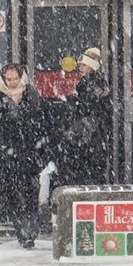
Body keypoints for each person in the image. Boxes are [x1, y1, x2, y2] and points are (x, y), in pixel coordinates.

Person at [0, 63, 47, 249]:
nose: (12, 83)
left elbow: (40, 121)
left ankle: (30, 232)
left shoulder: (31, 94)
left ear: (22, 78)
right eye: (8, 79)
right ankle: (21, 230)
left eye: (15, 79)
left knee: (30, 194)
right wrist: (7, 115)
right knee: (12, 193)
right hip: (7, 154)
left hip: (29, 153)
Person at [55, 47, 111, 188]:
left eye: (83, 65)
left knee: (88, 174)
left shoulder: (93, 84)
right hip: (91, 138)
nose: (80, 67)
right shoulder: (92, 83)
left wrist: (72, 103)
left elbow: (89, 107)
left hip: (89, 138)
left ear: (92, 67)